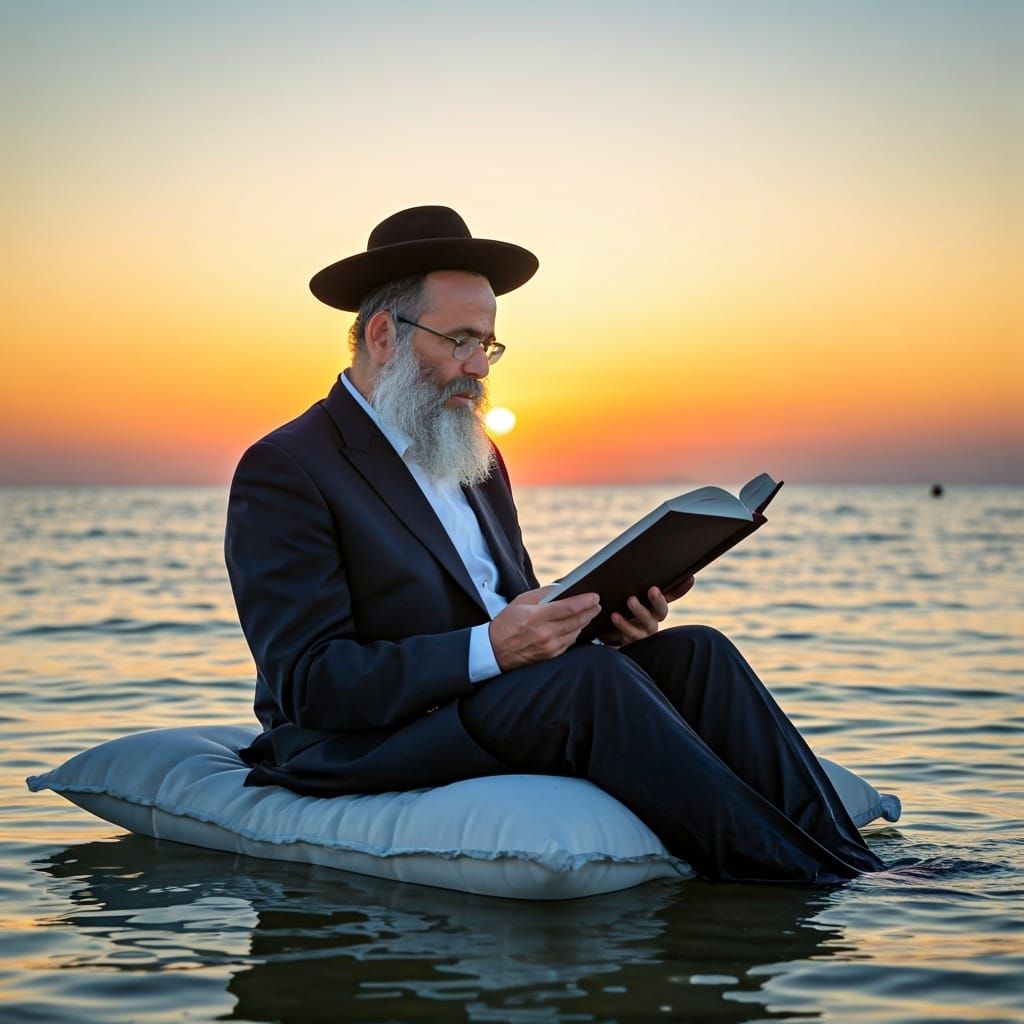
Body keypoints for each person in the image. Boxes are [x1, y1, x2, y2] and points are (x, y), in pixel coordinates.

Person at [225, 205, 883, 883]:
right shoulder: (289, 467)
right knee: (588, 687)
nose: (479, 366)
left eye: (489, 344)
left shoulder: (474, 456)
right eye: (460, 340)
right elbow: (311, 685)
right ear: (385, 335)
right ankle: (795, 878)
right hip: (359, 741)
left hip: (485, 702)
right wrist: (493, 648)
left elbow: (515, 610)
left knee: (699, 654)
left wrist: (602, 623)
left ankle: (853, 861)